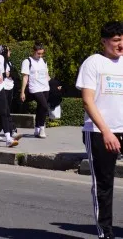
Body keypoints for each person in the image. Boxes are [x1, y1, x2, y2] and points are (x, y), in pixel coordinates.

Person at [77, 21, 123, 239]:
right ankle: (105, 233)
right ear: (104, 41)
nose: (120, 44)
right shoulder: (93, 63)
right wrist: (106, 131)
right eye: (116, 40)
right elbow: (87, 101)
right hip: (98, 132)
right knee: (104, 185)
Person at [20, 42, 51, 138]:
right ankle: (42, 128)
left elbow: (46, 75)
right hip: (35, 88)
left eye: (42, 54)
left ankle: (37, 129)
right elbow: (25, 77)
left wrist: (54, 85)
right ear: (34, 51)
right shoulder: (27, 61)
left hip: (45, 87)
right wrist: (22, 92)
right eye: (38, 53)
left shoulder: (43, 61)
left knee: (40, 108)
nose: (40, 55)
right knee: (45, 107)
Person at [0, 46, 20, 141]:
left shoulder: (9, 63)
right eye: (8, 50)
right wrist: (5, 74)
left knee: (4, 111)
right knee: (6, 111)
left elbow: (15, 74)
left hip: (10, 88)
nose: (10, 52)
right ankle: (12, 131)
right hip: (1, 88)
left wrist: (10, 74)